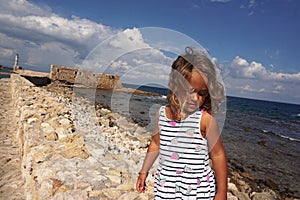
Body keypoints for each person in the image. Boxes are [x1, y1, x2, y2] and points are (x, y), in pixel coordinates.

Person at [136, 47, 227, 199]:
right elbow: (155, 144)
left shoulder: (205, 120)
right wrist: (144, 171)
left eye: (201, 93)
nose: (195, 98)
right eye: (190, 91)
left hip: (198, 192)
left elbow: (218, 155)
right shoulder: (162, 114)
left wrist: (222, 191)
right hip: (167, 188)